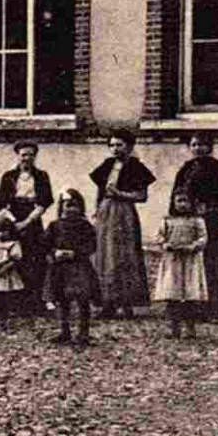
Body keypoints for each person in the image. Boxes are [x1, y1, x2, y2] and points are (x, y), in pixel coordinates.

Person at [90, 128, 155, 319]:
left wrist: (120, 194)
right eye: (112, 145)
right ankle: (107, 303)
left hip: (124, 213)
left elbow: (141, 196)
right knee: (104, 255)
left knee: (124, 256)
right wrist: (97, 209)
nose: (115, 149)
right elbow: (100, 191)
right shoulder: (107, 165)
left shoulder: (136, 167)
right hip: (105, 212)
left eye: (120, 144)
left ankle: (127, 303)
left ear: (130, 146)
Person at [171, 136, 218, 320]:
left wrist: (209, 207)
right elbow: (175, 195)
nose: (198, 148)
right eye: (194, 145)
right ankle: (193, 307)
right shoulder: (185, 169)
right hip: (187, 220)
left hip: (210, 221)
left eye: (202, 144)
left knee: (213, 261)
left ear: (210, 147)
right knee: (191, 262)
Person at [0, 141, 54, 317]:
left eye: (30, 155)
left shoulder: (41, 176)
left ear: (35, 156)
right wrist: (14, 222)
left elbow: (44, 203)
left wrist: (27, 222)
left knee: (35, 258)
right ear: (17, 156)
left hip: (33, 219)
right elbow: (2, 204)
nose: (27, 158)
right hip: (12, 218)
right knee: (14, 258)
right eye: (23, 155)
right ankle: (14, 301)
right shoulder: (9, 177)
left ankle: (35, 300)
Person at [43, 189, 100, 346]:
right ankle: (65, 331)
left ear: (81, 208)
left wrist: (75, 253)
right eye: (67, 205)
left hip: (79, 267)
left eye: (75, 206)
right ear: (61, 208)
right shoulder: (54, 226)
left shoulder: (85, 226)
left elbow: (91, 245)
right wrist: (55, 253)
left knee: (83, 299)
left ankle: (83, 332)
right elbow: (46, 244)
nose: (71, 210)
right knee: (62, 300)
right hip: (60, 268)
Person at [153, 190, 210, 339]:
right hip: (173, 262)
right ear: (173, 202)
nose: (182, 205)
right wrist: (166, 245)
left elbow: (203, 238)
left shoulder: (197, 221)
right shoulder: (167, 220)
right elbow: (159, 237)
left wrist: (193, 246)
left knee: (189, 296)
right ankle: (173, 327)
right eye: (179, 201)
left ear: (192, 203)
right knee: (173, 295)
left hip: (190, 262)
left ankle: (190, 328)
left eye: (186, 201)